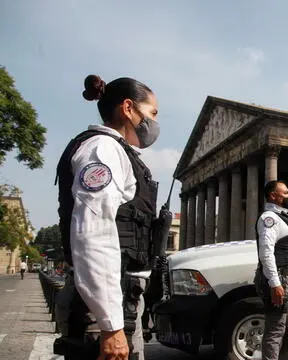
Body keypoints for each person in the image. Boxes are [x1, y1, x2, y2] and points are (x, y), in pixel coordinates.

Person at [53, 74, 161, 360]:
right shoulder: (103, 149)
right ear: (128, 108)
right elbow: (93, 232)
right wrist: (111, 326)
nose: (155, 123)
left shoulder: (118, 151)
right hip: (104, 309)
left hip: (118, 302)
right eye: (152, 113)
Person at [253, 180, 288, 360]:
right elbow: (266, 253)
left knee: (278, 328)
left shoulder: (283, 217)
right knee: (275, 330)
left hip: (283, 276)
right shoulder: (270, 219)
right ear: (274, 196)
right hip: (278, 277)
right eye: (286, 193)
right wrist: (275, 283)